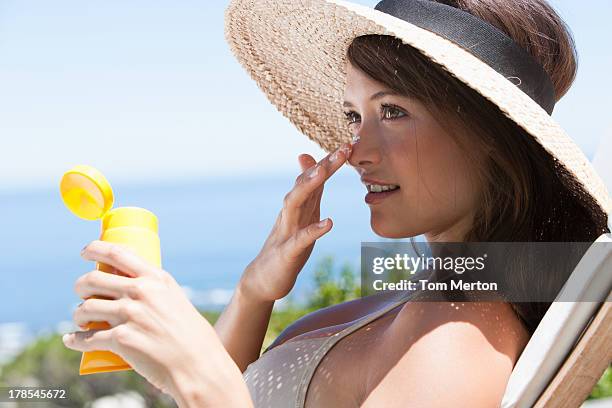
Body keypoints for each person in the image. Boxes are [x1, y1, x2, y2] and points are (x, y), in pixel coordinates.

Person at [62, 0, 611, 407]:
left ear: (493, 135)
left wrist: (199, 373)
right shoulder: (435, 299)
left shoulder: (456, 342)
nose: (357, 152)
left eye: (392, 111)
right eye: (354, 116)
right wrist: (256, 291)